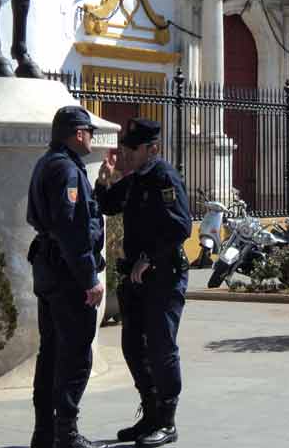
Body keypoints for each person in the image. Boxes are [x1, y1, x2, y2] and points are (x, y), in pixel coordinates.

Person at [96, 118, 191, 447]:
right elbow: (107, 205)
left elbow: (181, 227)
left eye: (132, 149)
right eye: (125, 148)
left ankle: (167, 421)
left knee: (162, 347)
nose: (127, 154)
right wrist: (103, 181)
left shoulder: (165, 177)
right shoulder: (136, 179)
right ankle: (150, 414)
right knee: (133, 346)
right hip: (136, 279)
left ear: (153, 149)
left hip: (164, 275)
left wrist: (149, 256)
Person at [26, 106, 106, 448]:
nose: (91, 138)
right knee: (73, 355)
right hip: (68, 274)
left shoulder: (48, 162)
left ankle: (45, 432)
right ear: (77, 133)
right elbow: (73, 229)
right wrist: (89, 278)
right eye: (89, 131)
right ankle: (66, 435)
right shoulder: (66, 170)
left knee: (51, 353)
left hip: (50, 270)